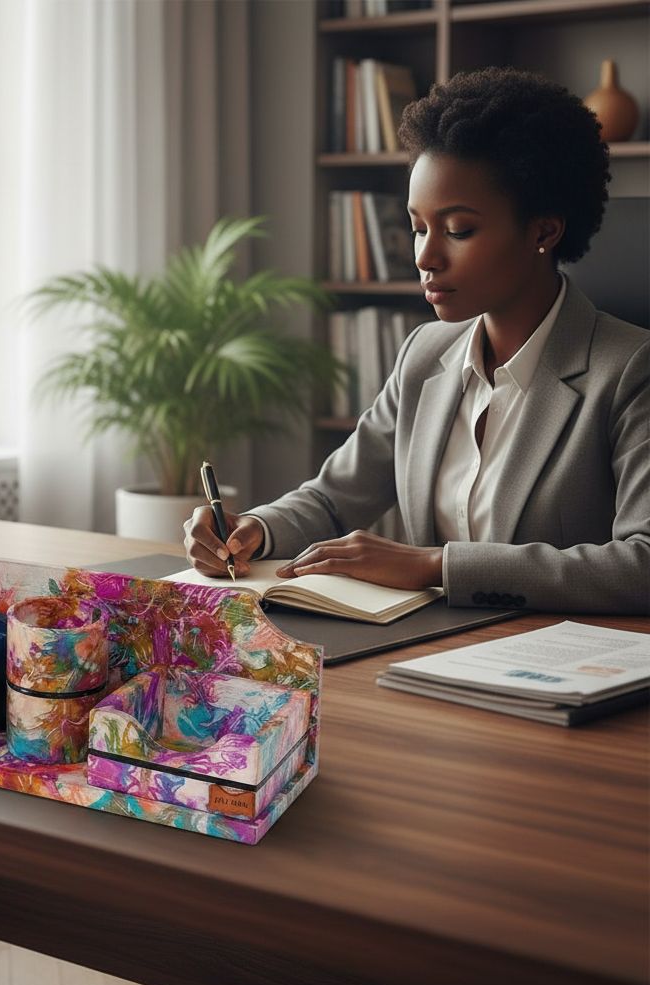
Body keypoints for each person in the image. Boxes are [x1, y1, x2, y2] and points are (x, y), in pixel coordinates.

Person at [184, 67, 649, 614]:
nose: (425, 257)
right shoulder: (424, 354)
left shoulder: (629, 370)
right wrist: (254, 530)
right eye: (418, 227)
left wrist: (435, 565)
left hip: (554, 665)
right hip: (423, 648)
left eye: (458, 230)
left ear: (543, 232)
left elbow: (641, 562)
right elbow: (335, 499)